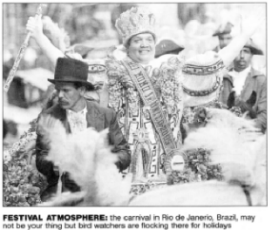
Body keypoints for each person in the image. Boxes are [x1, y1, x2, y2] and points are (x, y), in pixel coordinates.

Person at [27, 6, 264, 194]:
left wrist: (243, 36)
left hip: (166, 158)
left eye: (147, 39)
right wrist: (40, 37)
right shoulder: (114, 70)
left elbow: (215, 64)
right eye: (137, 40)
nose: (143, 44)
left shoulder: (172, 69)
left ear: (154, 41)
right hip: (125, 159)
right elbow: (71, 71)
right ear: (127, 46)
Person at [35, 57, 130, 201]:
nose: (60, 95)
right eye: (58, 90)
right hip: (63, 190)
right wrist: (56, 164)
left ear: (82, 90)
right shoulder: (49, 116)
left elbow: (125, 153)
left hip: (101, 189)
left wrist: (104, 162)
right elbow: (41, 158)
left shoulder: (106, 115)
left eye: (66, 90)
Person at [219, 38, 266, 133]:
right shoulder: (222, 78)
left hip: (251, 133)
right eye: (238, 52)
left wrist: (248, 128)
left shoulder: (260, 79)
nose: (241, 56)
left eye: (246, 52)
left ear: (252, 55)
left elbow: (265, 114)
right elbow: (215, 108)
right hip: (224, 132)